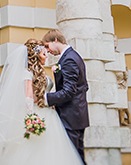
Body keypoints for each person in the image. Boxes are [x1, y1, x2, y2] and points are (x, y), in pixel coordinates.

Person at [0, 39, 84, 165]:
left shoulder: (42, 73)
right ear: (36, 56)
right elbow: (28, 97)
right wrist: (31, 117)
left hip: (50, 114)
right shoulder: (27, 73)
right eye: (44, 54)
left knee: (53, 150)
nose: (46, 56)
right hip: (37, 113)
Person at [43, 29, 89, 164]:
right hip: (76, 115)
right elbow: (83, 86)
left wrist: (45, 98)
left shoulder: (69, 59)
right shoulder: (72, 56)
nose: (48, 50)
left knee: (72, 157)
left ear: (55, 40)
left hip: (71, 117)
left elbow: (69, 92)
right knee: (77, 157)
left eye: (47, 46)